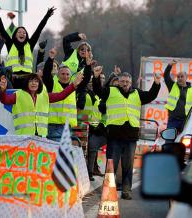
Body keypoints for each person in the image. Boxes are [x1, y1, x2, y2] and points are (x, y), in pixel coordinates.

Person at [94, 71, 161, 200]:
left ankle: (126, 190)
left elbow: (151, 95)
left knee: (128, 165)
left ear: (130, 83)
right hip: (115, 135)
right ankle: (108, 190)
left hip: (131, 135)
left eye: (127, 82)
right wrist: (96, 77)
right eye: (122, 81)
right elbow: (98, 90)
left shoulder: (137, 93)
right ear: (118, 82)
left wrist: (156, 83)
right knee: (111, 164)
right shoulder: (110, 91)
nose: (125, 84)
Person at [0, 4, 56, 88]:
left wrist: (47, 15)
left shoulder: (30, 44)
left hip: (27, 79)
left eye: (24, 33)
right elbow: (1, 29)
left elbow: (39, 29)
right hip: (12, 79)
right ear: (15, 35)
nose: (22, 34)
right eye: (19, 32)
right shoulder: (10, 44)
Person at [0, 73, 84, 136]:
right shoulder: (18, 94)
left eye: (36, 81)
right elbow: (5, 100)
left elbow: (61, 96)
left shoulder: (44, 96)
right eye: (31, 81)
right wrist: (3, 91)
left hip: (41, 136)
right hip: (24, 136)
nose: (34, 83)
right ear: (26, 83)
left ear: (39, 84)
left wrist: (73, 85)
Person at [78, 65, 106, 181]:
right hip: (82, 125)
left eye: (92, 81)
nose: (90, 83)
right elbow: (80, 110)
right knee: (86, 150)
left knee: (91, 149)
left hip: (95, 127)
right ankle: (87, 171)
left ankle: (92, 169)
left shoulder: (99, 94)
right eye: (88, 81)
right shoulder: (84, 93)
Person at [164, 60, 192, 132]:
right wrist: (169, 65)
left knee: (185, 141)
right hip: (173, 120)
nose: (179, 78)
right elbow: (166, 76)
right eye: (178, 77)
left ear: (186, 77)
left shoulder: (191, 90)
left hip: (186, 121)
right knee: (169, 139)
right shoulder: (172, 86)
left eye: (182, 76)